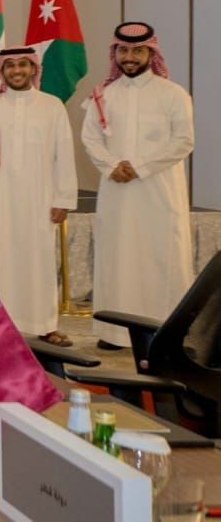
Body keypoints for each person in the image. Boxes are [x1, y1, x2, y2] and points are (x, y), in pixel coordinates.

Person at [81, 23, 194, 350]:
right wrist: (111, 165)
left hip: (159, 193)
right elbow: (90, 138)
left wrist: (140, 168)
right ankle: (115, 332)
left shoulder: (173, 94)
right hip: (117, 192)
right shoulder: (104, 95)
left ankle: (164, 332)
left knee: (161, 258)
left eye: (138, 51)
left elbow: (184, 141)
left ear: (151, 53)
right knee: (117, 257)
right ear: (115, 53)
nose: (130, 57)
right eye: (124, 50)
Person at [0, 46, 77, 346]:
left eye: (23, 65)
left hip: (40, 198)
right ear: (1, 71)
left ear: (33, 69)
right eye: (10, 66)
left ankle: (45, 324)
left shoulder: (52, 106)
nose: (17, 71)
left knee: (40, 259)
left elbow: (64, 154)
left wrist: (63, 199)